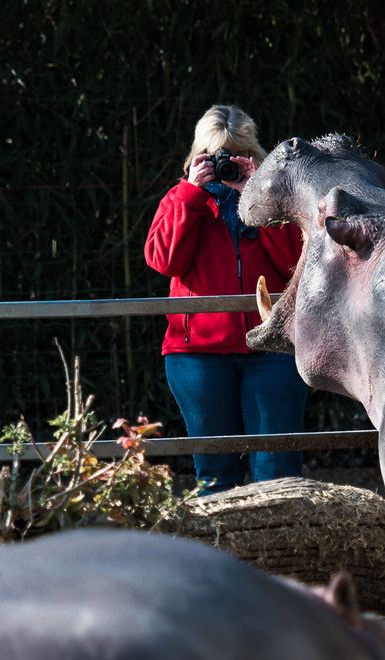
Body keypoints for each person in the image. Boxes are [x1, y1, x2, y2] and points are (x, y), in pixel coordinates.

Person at [144, 104, 308, 494]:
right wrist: (191, 196)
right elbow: (165, 261)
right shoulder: (180, 199)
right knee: (216, 476)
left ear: (253, 156)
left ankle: (281, 553)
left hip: (272, 348)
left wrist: (261, 196)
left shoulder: (276, 201)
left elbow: (295, 264)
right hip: (197, 355)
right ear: (198, 156)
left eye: (237, 156)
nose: (225, 166)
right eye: (215, 157)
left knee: (278, 472)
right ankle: (219, 554)